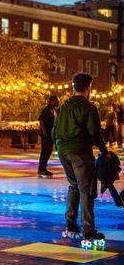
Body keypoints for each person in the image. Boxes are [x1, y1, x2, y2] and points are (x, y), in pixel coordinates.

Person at [52, 73, 109, 243]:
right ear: (88, 88)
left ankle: (70, 224)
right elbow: (94, 133)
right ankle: (89, 230)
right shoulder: (89, 108)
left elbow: (53, 131)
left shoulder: (63, 107)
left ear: (73, 87)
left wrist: (59, 147)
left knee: (73, 186)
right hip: (80, 152)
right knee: (86, 190)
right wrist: (104, 150)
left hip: (63, 151)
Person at [37, 95, 59, 177]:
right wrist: (44, 131)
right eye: (56, 100)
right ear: (51, 101)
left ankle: (43, 168)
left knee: (48, 151)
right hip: (46, 134)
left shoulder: (53, 110)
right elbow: (41, 120)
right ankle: (41, 169)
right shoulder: (47, 110)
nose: (58, 102)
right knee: (45, 152)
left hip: (50, 134)